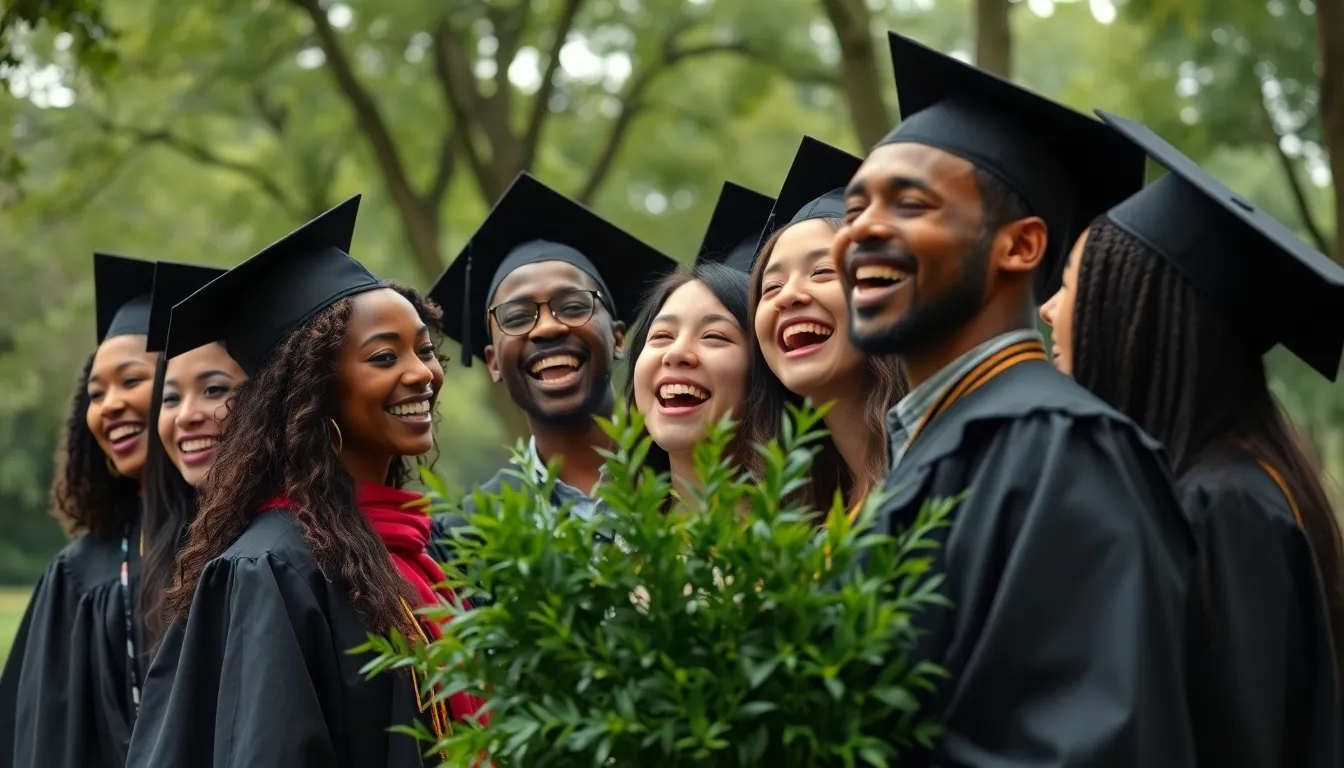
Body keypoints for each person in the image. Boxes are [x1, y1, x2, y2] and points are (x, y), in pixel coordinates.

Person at [833, 32, 1197, 764]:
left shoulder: (1062, 448)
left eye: (910, 204)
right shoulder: (941, 442)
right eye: (853, 209)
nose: (863, 230)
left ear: (1021, 246)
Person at [126, 196, 482, 768]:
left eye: (424, 348)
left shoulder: (411, 551)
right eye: (384, 356)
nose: (422, 373)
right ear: (314, 391)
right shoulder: (274, 567)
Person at [1039, 112, 1344, 768]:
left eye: (1067, 284)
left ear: (1128, 312)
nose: (1047, 309)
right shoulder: (1234, 481)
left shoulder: (1222, 504)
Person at [429, 172, 676, 521]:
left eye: (574, 307)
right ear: (493, 362)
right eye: (516, 317)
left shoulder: (690, 479)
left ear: (618, 338)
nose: (547, 327)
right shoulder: (468, 533)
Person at [0, 253, 158, 768]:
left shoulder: (254, 549)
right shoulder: (78, 577)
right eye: (95, 393)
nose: (108, 404)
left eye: (130, 380)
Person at [745, 136, 908, 513]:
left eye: (822, 271)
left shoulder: (938, 471)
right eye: (771, 286)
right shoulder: (799, 514)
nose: (788, 295)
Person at [623, 181, 763, 492]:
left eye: (714, 336)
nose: (675, 353)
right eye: (661, 335)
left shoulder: (822, 537)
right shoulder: (603, 535)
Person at [139, 261, 241, 653]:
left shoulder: (276, 557)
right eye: (169, 398)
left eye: (214, 390)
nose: (186, 415)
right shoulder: (170, 554)